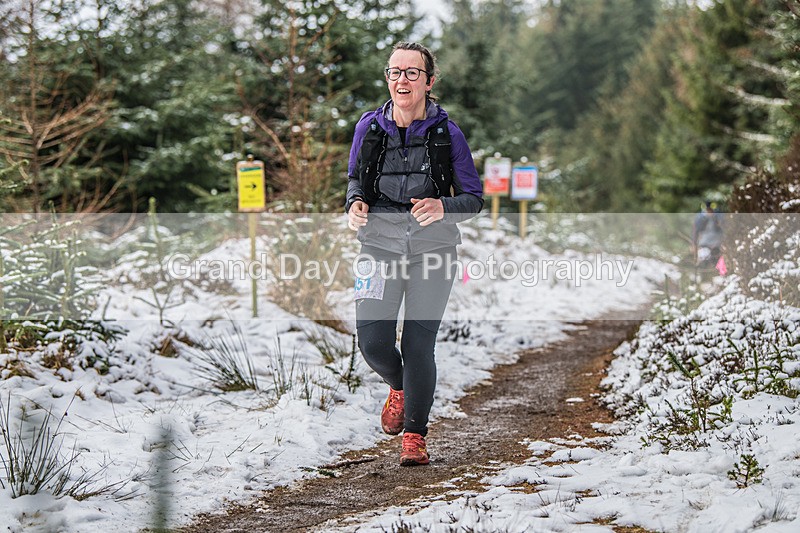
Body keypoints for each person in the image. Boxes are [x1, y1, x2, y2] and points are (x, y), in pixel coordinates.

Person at [345, 42, 483, 466]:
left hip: (434, 251)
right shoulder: (368, 128)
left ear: (428, 81)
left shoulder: (447, 134)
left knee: (418, 345)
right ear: (388, 78)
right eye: (395, 72)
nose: (402, 80)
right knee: (373, 343)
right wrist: (355, 203)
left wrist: (443, 207)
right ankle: (400, 387)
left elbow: (474, 198)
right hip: (377, 248)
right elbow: (355, 179)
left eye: (411, 72)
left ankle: (414, 435)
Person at [692, 200, 724, 269]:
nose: (709, 211)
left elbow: (723, 228)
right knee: (704, 262)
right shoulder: (700, 217)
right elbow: (696, 231)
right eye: (707, 210)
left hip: (717, 244)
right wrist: (694, 244)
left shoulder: (718, 216)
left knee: (716, 262)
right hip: (704, 243)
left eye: (710, 210)